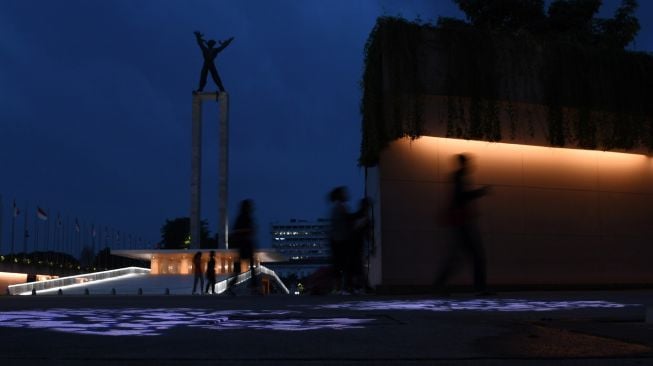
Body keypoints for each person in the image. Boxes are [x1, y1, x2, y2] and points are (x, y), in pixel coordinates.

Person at [434, 153, 491, 295]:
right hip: (462, 223)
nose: (471, 165)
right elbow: (461, 197)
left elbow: (458, 198)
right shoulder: (459, 177)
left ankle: (440, 284)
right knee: (476, 255)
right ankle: (479, 288)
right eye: (468, 162)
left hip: (460, 222)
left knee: (460, 256)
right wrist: (480, 192)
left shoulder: (458, 177)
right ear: (463, 164)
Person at [231, 199, 257, 294]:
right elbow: (239, 231)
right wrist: (247, 231)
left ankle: (253, 286)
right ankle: (232, 285)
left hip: (244, 244)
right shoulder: (244, 217)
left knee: (246, 267)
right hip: (244, 244)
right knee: (247, 267)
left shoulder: (243, 217)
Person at [329, 186, 352, 294]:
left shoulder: (336, 207)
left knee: (338, 265)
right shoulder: (340, 207)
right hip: (340, 240)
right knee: (343, 265)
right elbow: (346, 222)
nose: (346, 195)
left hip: (337, 240)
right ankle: (341, 288)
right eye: (344, 193)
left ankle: (338, 288)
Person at [350, 198, 372, 293]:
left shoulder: (359, 215)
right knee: (359, 266)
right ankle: (361, 286)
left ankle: (359, 286)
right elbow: (361, 230)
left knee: (358, 266)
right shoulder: (362, 216)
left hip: (356, 243)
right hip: (357, 243)